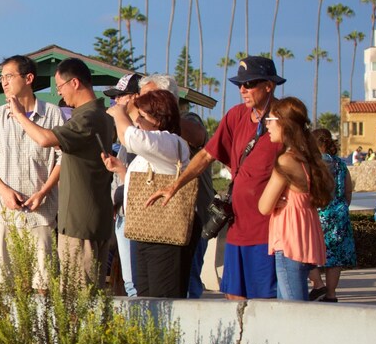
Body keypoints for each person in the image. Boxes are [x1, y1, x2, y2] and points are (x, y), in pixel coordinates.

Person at [150, 56, 284, 300]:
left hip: (268, 230)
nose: (243, 89)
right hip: (237, 225)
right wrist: (175, 186)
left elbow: (303, 163)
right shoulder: (235, 116)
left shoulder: (284, 119)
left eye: (249, 83)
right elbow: (206, 155)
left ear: (269, 85)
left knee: (266, 301)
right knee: (234, 296)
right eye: (239, 84)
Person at [12, 57, 115, 289]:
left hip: (80, 223)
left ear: (75, 83)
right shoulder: (104, 118)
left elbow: (45, 139)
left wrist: (20, 115)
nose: (60, 94)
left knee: (77, 301)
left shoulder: (87, 118)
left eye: (60, 87)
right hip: (94, 219)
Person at [0, 55, 64, 290]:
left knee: (43, 287)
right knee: (2, 286)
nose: (3, 82)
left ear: (29, 78)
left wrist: (43, 192)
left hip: (42, 214)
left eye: (9, 76)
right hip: (4, 216)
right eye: (1, 78)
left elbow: (62, 161)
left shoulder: (53, 114)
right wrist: (4, 192)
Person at [103, 90, 198, 297]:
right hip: (143, 231)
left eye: (142, 117)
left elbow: (131, 138)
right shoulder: (156, 147)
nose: (137, 122)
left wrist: (120, 111)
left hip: (165, 235)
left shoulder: (170, 142)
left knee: (162, 299)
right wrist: (121, 169)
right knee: (144, 297)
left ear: (158, 120)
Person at [139, 73, 214, 298]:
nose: (141, 103)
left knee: (187, 287)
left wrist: (163, 114)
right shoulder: (148, 129)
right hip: (158, 221)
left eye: (149, 98)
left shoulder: (190, 120)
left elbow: (199, 136)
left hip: (189, 216)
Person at [257, 97, 332, 301]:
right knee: (293, 306)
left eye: (270, 120)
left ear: (284, 123)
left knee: (293, 311)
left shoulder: (286, 160)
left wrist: (276, 201)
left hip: (289, 240)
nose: (268, 126)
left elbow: (263, 206)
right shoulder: (306, 157)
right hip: (304, 237)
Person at [103, 73, 144, 297]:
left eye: (121, 96)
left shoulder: (142, 133)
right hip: (122, 211)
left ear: (135, 97)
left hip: (137, 215)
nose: (116, 101)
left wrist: (120, 169)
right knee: (130, 283)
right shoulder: (125, 133)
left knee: (135, 284)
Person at [308, 128, 356, 302]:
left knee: (308, 252)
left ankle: (318, 285)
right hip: (339, 214)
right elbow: (348, 190)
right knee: (335, 259)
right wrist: (341, 206)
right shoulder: (341, 164)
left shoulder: (312, 164)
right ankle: (331, 294)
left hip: (318, 214)